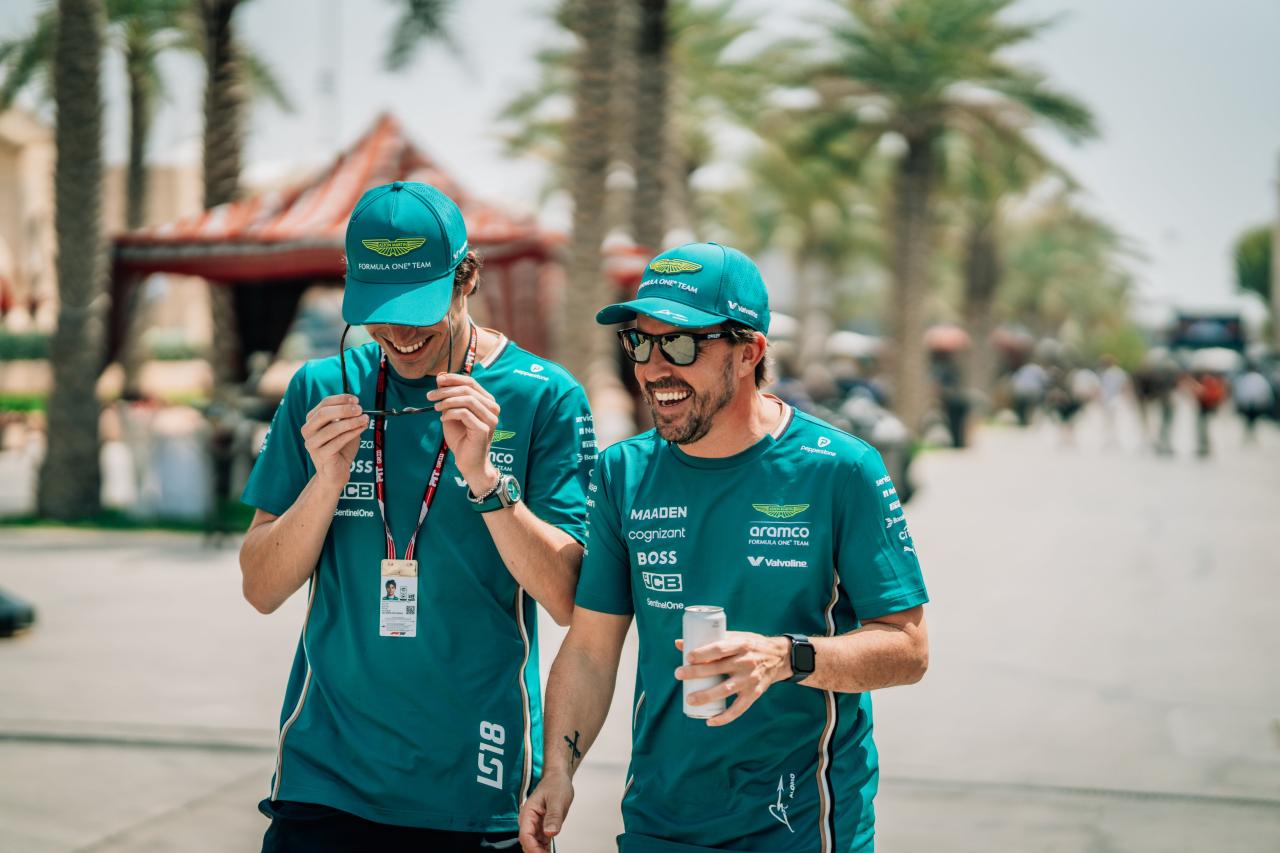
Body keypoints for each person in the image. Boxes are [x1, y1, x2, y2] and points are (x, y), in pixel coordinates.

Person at [519, 243, 930, 853]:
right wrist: (558, 770)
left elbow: (908, 649)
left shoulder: (840, 468)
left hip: (801, 825)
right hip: (659, 821)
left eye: (682, 345)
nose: (654, 368)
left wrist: (786, 657)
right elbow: (590, 649)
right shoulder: (622, 472)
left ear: (748, 353)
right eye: (640, 343)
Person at [239, 181, 594, 852]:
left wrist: (486, 480)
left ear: (467, 279)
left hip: (474, 780)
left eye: (419, 310)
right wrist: (326, 482)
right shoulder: (321, 388)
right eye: (380, 310)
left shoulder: (544, 395)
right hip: (325, 776)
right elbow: (260, 587)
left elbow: (567, 596)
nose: (400, 334)